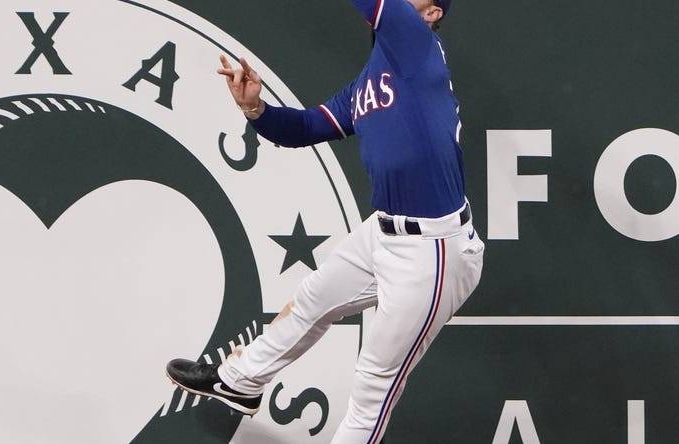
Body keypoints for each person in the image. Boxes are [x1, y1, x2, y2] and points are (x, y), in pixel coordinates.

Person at [167, 0, 484, 441]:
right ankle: (241, 381)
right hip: (385, 232)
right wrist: (256, 110)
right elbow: (306, 129)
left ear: (431, 15)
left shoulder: (415, 42)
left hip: (433, 251)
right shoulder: (372, 78)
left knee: (373, 385)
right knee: (311, 301)